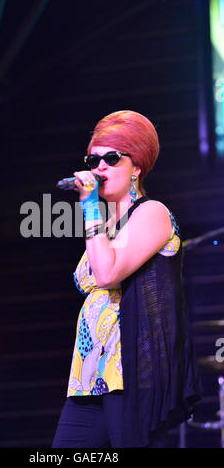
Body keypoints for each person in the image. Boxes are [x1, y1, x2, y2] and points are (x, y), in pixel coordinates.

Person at [52, 110, 202, 448]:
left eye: (112, 158)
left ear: (136, 167)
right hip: (90, 378)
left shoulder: (153, 213)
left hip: (129, 375)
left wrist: (89, 204)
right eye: (94, 159)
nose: (99, 167)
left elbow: (106, 273)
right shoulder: (104, 227)